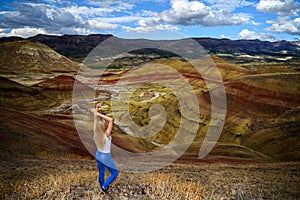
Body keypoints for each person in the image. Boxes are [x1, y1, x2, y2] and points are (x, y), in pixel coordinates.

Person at [93, 102, 118, 194]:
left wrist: (97, 108)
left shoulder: (96, 133)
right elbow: (111, 120)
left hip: (98, 154)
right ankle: (103, 187)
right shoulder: (106, 135)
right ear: (104, 127)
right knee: (115, 172)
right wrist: (99, 114)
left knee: (102, 172)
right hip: (105, 156)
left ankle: (102, 187)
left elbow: (95, 119)